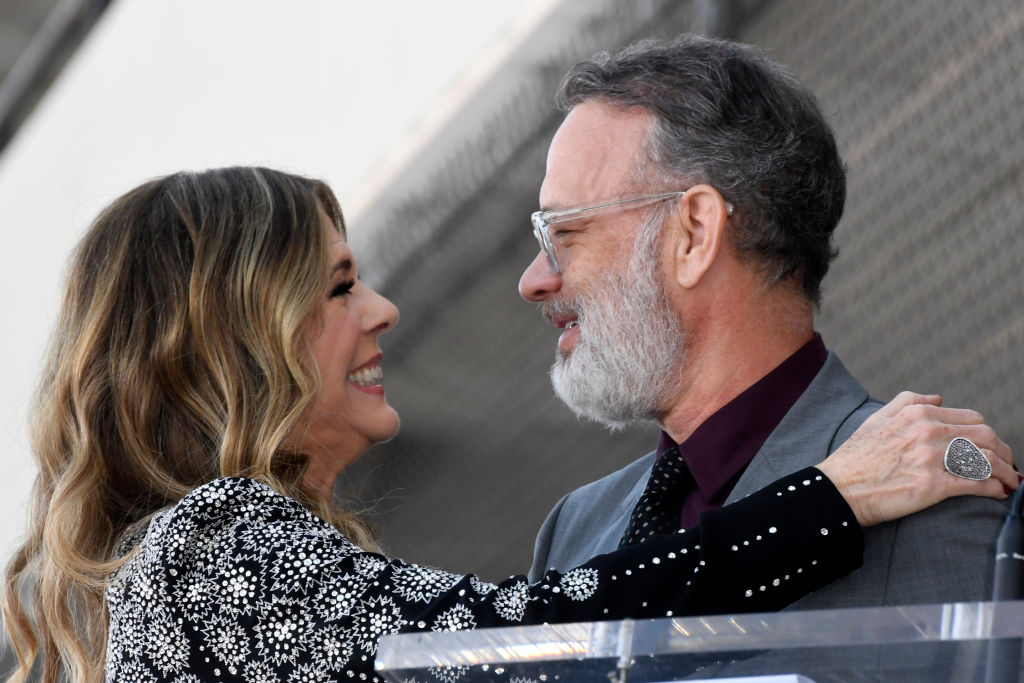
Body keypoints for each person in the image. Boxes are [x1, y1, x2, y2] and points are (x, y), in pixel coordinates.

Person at [0, 168, 1012, 683]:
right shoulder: (206, 547)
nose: (382, 310)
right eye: (339, 286)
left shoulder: (188, 573)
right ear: (236, 334)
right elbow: (529, 636)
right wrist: (837, 495)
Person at [520, 32, 1015, 614]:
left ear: (696, 233)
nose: (533, 280)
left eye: (564, 232)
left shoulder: (942, 494)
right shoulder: (574, 530)